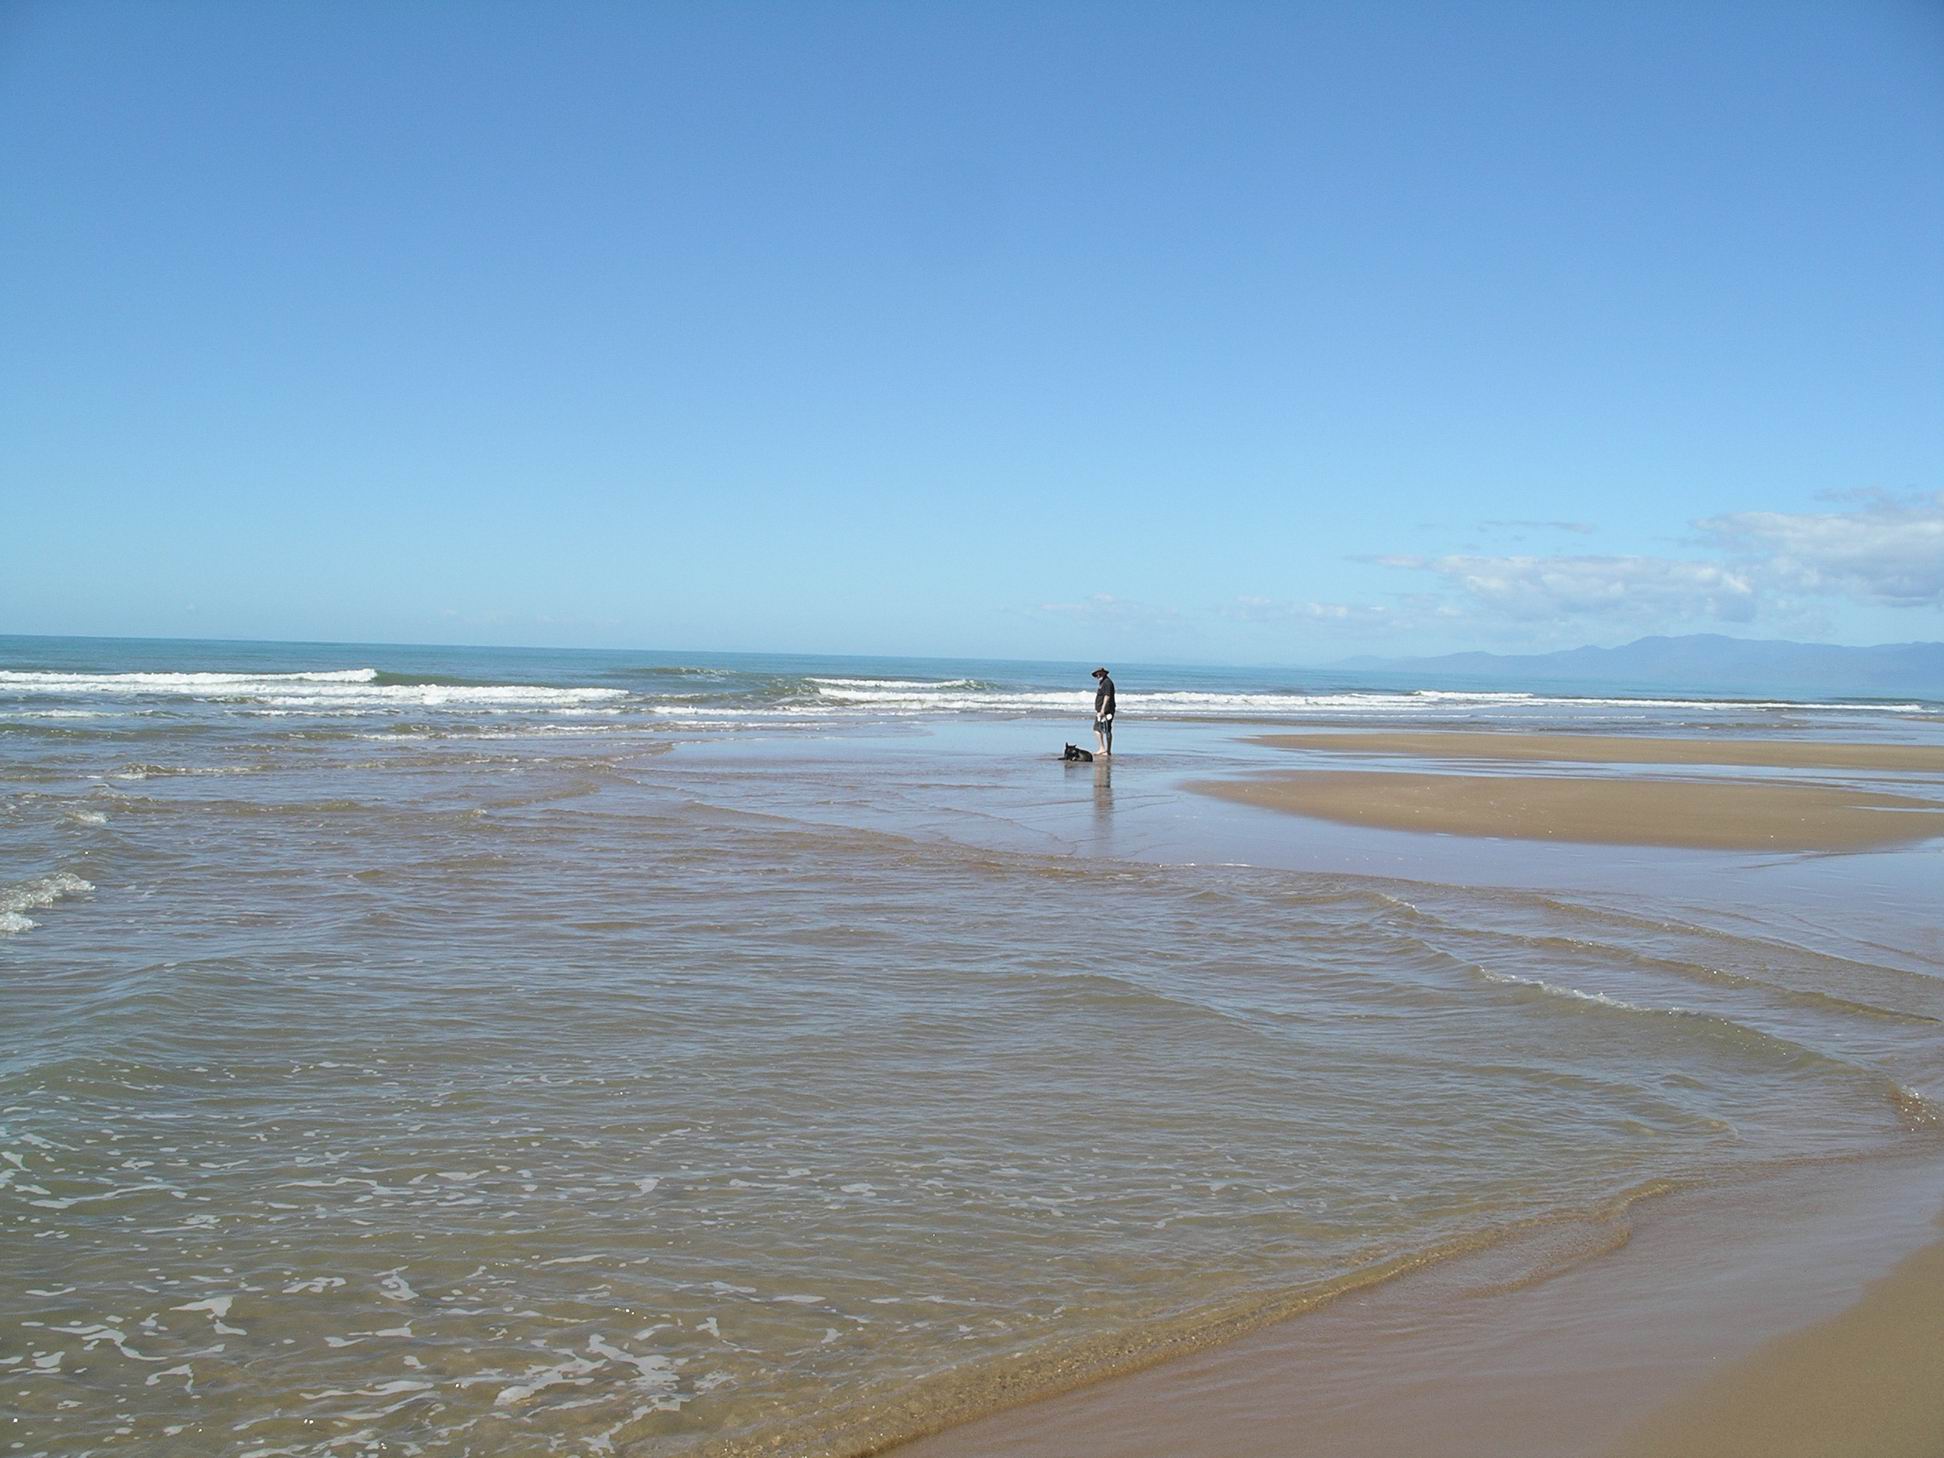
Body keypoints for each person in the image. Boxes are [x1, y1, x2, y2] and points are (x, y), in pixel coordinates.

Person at [1091, 667, 1116, 757]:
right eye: (1097, 674)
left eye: (1100, 673)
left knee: (1102, 728)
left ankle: (1105, 749)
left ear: (1104, 673)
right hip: (1102, 710)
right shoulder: (1102, 682)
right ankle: (1105, 749)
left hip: (1106, 711)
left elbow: (1107, 696)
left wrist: (1102, 710)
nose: (1098, 675)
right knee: (1100, 728)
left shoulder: (1107, 682)